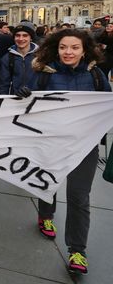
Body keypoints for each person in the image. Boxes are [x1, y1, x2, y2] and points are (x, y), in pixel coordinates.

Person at [24, 28, 110, 275]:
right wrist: (22, 94)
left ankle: (77, 251)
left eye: (74, 48)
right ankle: (45, 214)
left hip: (84, 145)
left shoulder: (95, 75)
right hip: (50, 143)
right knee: (47, 182)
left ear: (84, 50)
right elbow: (27, 103)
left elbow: (106, 105)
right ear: (56, 48)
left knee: (79, 197)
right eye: (63, 47)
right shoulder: (43, 73)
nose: (68, 52)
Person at [0, 21, 39, 95]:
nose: (20, 39)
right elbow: (3, 85)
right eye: (17, 35)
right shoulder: (7, 58)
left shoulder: (40, 56)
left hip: (36, 100)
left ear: (31, 38)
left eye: (25, 35)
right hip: (15, 100)